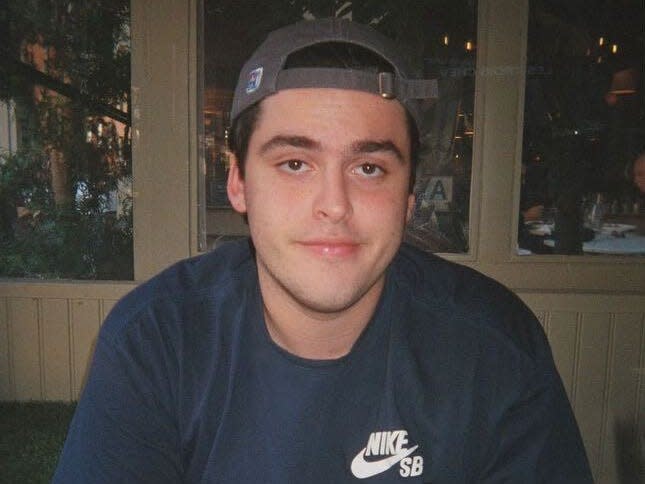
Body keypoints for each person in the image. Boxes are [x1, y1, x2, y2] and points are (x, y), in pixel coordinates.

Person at [53, 18, 592, 483]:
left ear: (408, 198)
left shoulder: (496, 350)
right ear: (238, 183)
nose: (334, 205)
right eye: (294, 163)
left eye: (369, 168)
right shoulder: (154, 343)